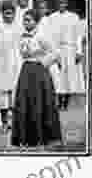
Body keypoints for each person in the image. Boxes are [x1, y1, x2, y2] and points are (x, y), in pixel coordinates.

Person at [11, 10, 62, 148]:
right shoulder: (22, 37)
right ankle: (26, 137)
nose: (26, 23)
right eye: (24, 20)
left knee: (38, 102)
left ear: (36, 21)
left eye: (29, 20)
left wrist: (42, 62)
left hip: (39, 72)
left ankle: (42, 136)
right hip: (26, 70)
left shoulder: (41, 36)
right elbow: (22, 54)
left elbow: (55, 53)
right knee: (24, 102)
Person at [0, 1, 23, 130]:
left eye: (11, 14)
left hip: (16, 62)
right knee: (2, 92)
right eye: (6, 13)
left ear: (14, 14)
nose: (8, 16)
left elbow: (21, 46)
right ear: (2, 14)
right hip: (1, 63)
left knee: (15, 91)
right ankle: (3, 121)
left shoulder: (19, 28)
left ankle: (14, 121)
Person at [48, 0, 84, 110]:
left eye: (63, 3)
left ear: (66, 4)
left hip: (70, 48)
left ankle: (66, 102)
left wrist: (79, 51)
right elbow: (50, 36)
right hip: (58, 48)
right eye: (59, 3)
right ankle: (59, 100)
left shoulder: (74, 17)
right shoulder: (52, 17)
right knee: (58, 75)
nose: (61, 5)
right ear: (56, 4)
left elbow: (78, 35)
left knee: (69, 76)